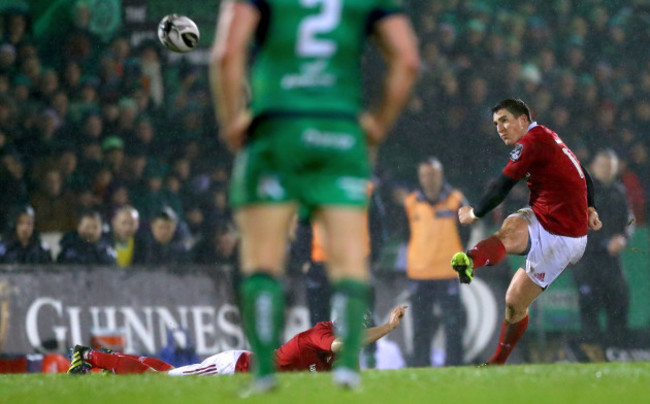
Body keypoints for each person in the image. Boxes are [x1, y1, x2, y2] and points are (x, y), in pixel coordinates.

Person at [210, 0, 419, 389]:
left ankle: (264, 377)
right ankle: (346, 370)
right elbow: (406, 59)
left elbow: (226, 54)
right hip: (338, 132)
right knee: (349, 260)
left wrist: (232, 119)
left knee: (262, 261)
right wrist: (376, 124)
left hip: (276, 129)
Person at [450, 98, 602, 365]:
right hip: (541, 217)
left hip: (565, 239)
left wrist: (474, 213)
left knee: (514, 304)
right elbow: (583, 171)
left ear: (523, 120)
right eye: (496, 123)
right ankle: (471, 259)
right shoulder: (546, 135)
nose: (500, 128)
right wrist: (590, 208)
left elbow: (502, 186)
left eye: (505, 120)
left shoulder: (532, 143)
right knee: (508, 232)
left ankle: (498, 361)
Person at [67, 305, 407, 376]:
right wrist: (388, 328)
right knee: (163, 382)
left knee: (171, 373)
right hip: (236, 369)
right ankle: (89, 356)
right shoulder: (322, 335)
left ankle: (111, 357)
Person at [403, 158, 469, 367]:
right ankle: (421, 366)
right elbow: (405, 233)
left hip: (448, 273)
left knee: (453, 325)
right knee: (420, 325)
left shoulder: (456, 201)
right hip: (419, 274)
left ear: (441, 175)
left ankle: (454, 366)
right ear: (419, 178)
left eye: (432, 175)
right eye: (424, 175)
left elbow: (465, 232)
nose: (428, 180)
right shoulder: (411, 203)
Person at [572, 149, 632, 346]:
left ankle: (614, 351)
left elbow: (629, 221)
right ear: (594, 167)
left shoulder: (619, 192)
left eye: (610, 167)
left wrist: (624, 238)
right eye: (603, 166)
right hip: (588, 261)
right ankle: (593, 355)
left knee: (619, 304)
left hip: (612, 262)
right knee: (590, 310)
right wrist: (605, 243)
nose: (606, 171)